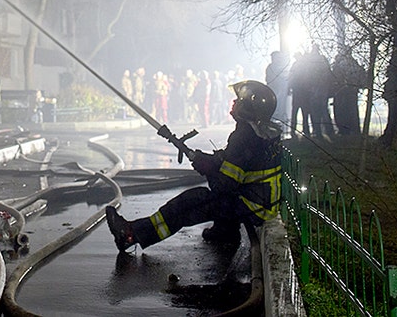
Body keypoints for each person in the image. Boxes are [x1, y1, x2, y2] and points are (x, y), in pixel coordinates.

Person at [105, 81, 282, 253]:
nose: (234, 102)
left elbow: (225, 186)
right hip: (262, 203)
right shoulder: (260, 133)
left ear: (246, 108)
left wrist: (208, 168)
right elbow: (237, 163)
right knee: (218, 198)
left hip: (253, 207)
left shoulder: (243, 137)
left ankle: (130, 234)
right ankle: (225, 231)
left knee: (192, 202)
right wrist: (209, 160)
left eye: (238, 100)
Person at [330, 48, 368, 135]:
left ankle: (344, 130)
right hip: (352, 91)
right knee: (352, 111)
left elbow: (335, 77)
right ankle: (354, 130)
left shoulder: (340, 64)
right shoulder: (354, 63)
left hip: (341, 92)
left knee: (341, 112)